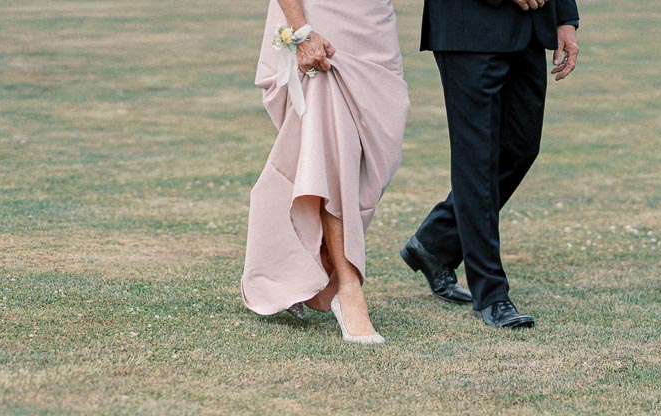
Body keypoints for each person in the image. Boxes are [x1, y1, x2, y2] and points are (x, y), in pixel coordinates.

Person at [400, 0, 580, 329]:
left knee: (521, 148)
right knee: (477, 160)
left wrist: (565, 17)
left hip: (530, 25)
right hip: (469, 23)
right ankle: (492, 296)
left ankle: (435, 242)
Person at [240, 0, 409, 345]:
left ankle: (297, 265)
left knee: (375, 153)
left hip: (373, 26)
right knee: (332, 152)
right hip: (320, 22)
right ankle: (349, 289)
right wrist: (300, 31)